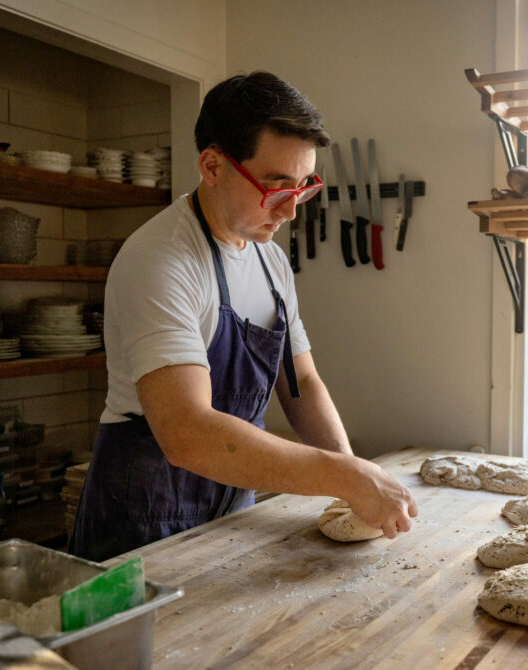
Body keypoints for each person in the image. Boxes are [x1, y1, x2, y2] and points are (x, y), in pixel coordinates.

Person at [69, 71, 417, 561]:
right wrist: (345, 476)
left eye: (304, 187)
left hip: (233, 505)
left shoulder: (271, 261)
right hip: (143, 520)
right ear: (212, 165)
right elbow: (188, 434)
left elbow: (302, 383)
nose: (292, 211)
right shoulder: (160, 260)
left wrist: (349, 473)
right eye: (276, 188)